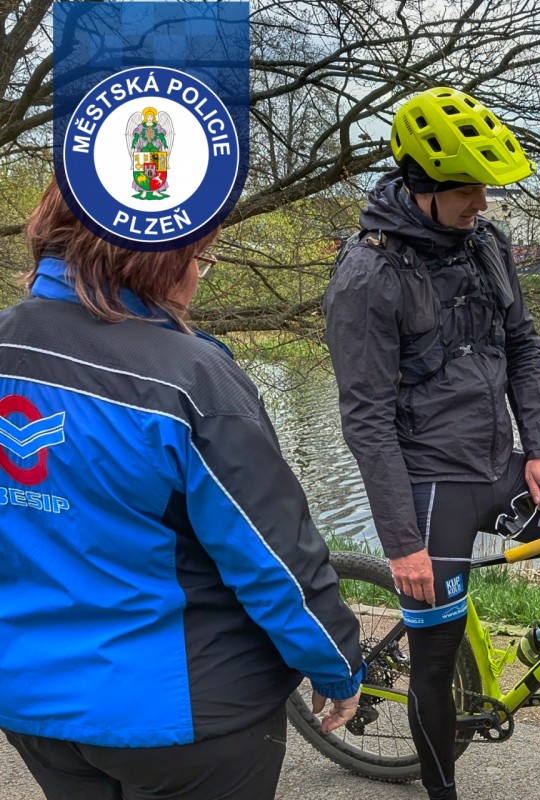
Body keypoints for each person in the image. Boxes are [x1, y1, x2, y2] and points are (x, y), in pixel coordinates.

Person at [0, 181, 364, 800]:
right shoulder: (192, 379)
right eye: (201, 258)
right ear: (158, 258)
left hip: (31, 700)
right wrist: (335, 662)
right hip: (186, 714)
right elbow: (272, 556)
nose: (200, 280)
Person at [324, 86, 540, 800]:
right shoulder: (366, 275)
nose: (485, 202)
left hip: (503, 463)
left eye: (486, 187)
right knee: (434, 665)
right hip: (433, 490)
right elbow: (365, 417)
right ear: (422, 184)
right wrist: (401, 541)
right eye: (469, 188)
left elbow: (522, 347)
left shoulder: (486, 245)